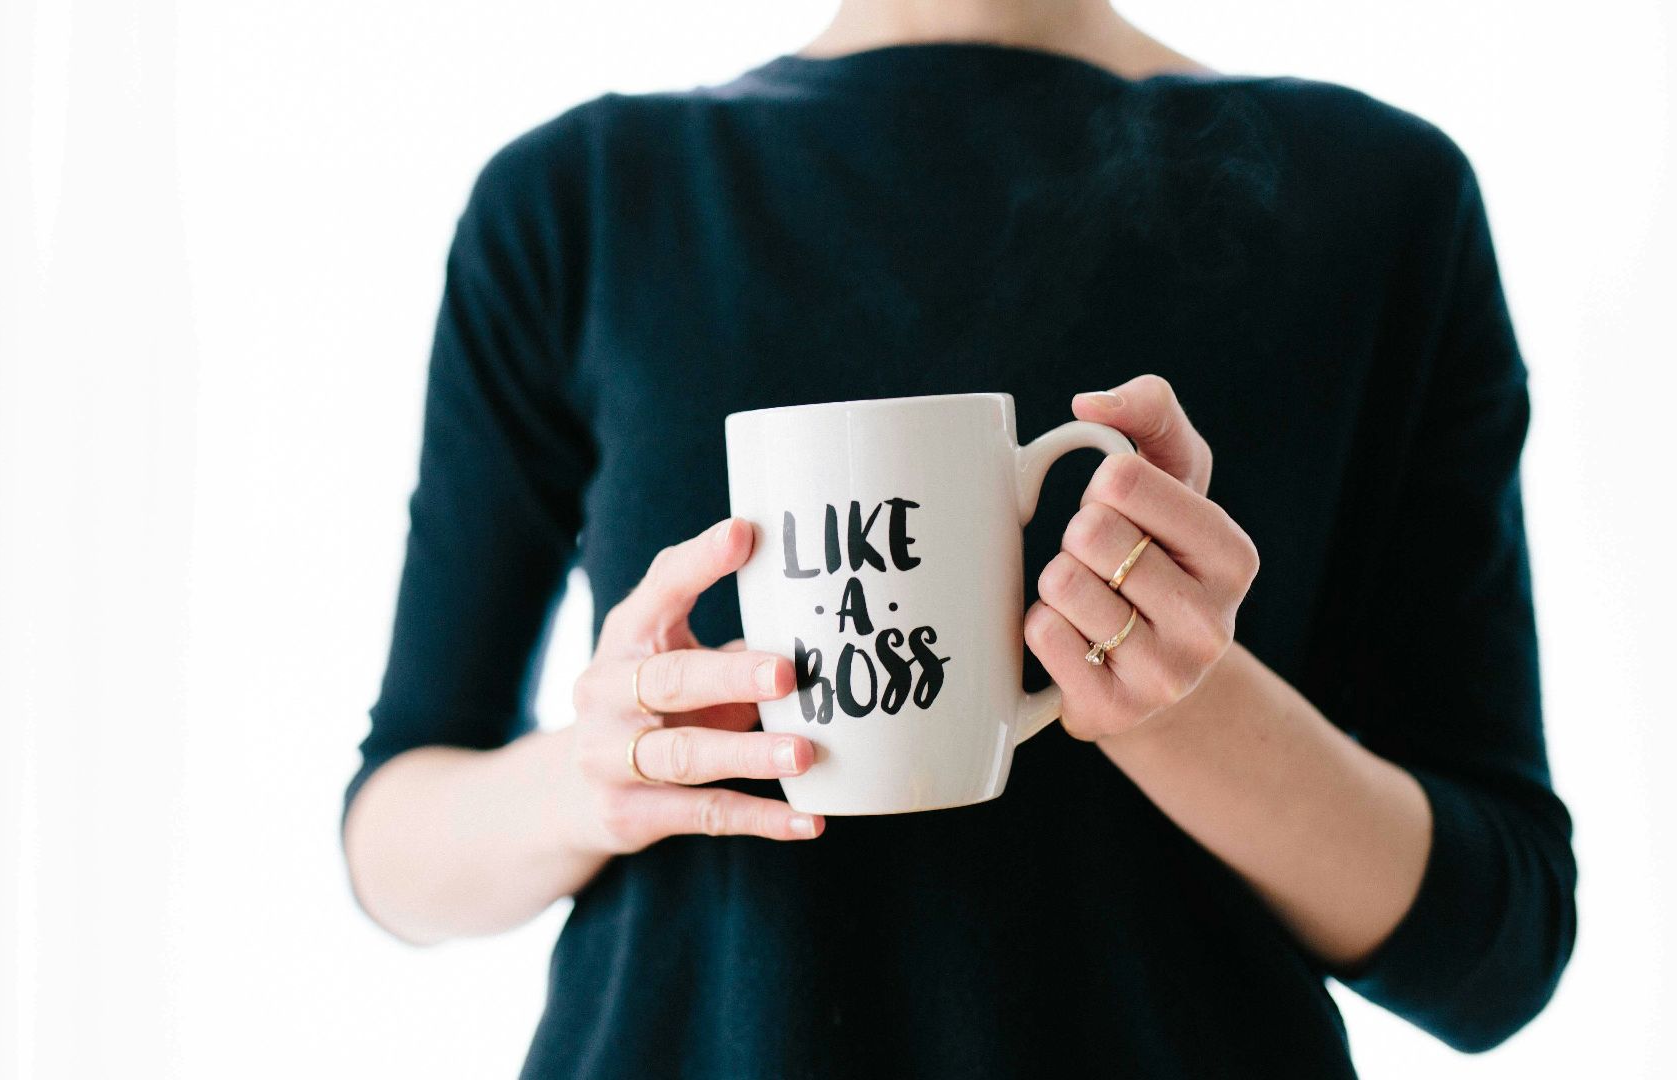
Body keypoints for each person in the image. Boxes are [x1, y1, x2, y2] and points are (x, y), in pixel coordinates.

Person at [341, 1, 1577, 1075]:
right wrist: (595, 778)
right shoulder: (580, 200)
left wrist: (1175, 702)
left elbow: (1498, 949)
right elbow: (392, 840)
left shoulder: (1377, 200)